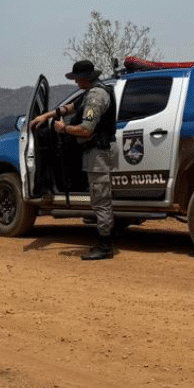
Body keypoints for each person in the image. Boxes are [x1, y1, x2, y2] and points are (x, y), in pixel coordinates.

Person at [29, 60, 118, 260]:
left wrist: (64, 129)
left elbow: (86, 130)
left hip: (99, 154)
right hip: (96, 153)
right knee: (99, 198)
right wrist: (47, 115)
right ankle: (105, 241)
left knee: (101, 200)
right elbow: (72, 107)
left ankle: (105, 247)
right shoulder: (93, 91)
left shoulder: (96, 96)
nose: (76, 82)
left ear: (85, 78)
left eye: (77, 78)